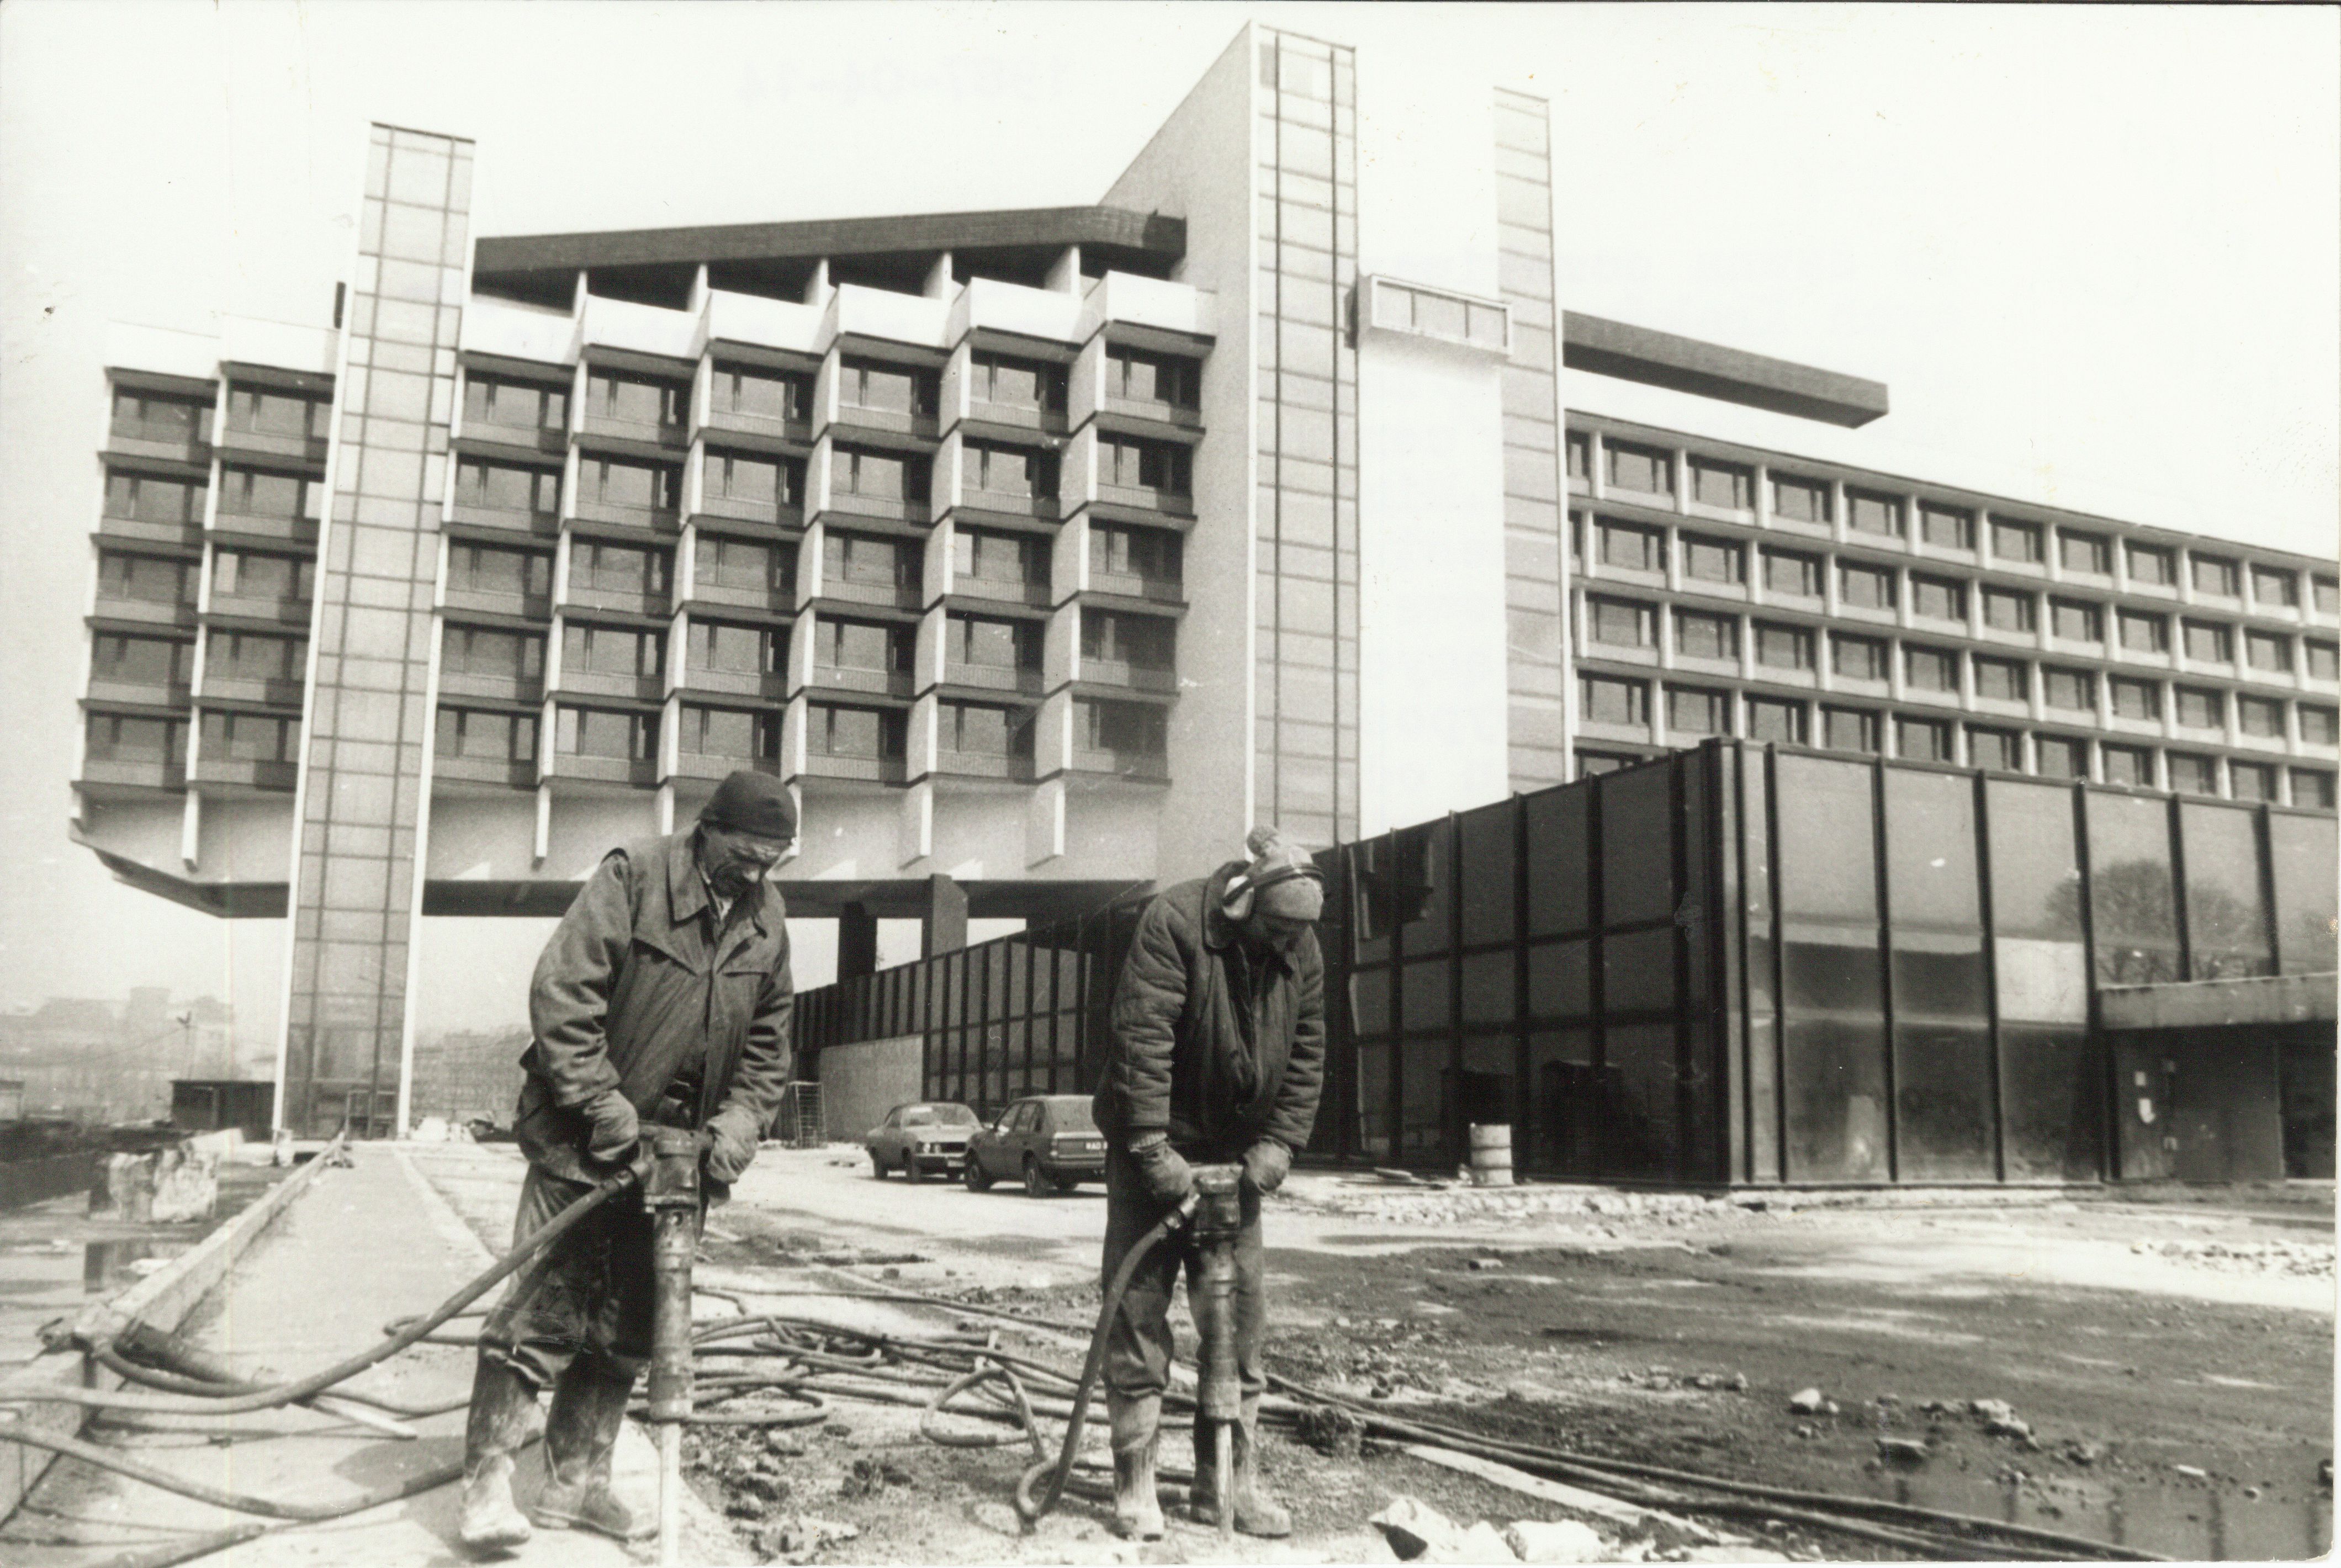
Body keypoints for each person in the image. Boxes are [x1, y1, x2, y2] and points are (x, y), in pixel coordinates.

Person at [457, 771, 798, 1555]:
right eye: (744, 857)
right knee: (542, 1314)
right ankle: (485, 1487)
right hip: (584, 1144)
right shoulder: (632, 876)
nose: (754, 875)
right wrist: (611, 1119)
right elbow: (563, 1001)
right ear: (706, 830)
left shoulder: (767, 917)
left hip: (681, 1164)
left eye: (771, 862)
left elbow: (769, 1048)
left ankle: (577, 1485)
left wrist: (734, 1134)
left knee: (629, 1327)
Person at [1091, 825, 1327, 1541]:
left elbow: (1309, 1049)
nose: (1289, 947)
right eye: (1278, 931)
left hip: (1236, 1158)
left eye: (1298, 935)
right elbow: (1144, 1039)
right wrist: (1151, 1149)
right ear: (1240, 905)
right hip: (1155, 1150)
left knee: (1237, 1326)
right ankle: (1136, 1484)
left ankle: (1226, 1485)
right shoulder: (1175, 923)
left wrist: (1280, 1143)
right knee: (1138, 1316)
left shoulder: (1298, 944)